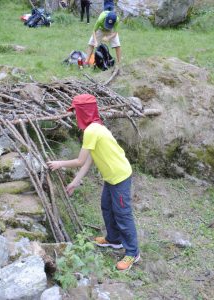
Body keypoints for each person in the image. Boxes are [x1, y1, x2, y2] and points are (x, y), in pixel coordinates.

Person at [47, 94, 140, 271]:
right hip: (111, 177)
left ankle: (133, 253)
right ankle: (113, 240)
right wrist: (75, 181)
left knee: (122, 214)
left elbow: (80, 161)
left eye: (76, 112)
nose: (75, 116)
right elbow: (89, 159)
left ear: (83, 112)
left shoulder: (92, 130)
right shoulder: (95, 128)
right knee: (106, 206)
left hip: (119, 176)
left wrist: (59, 163)